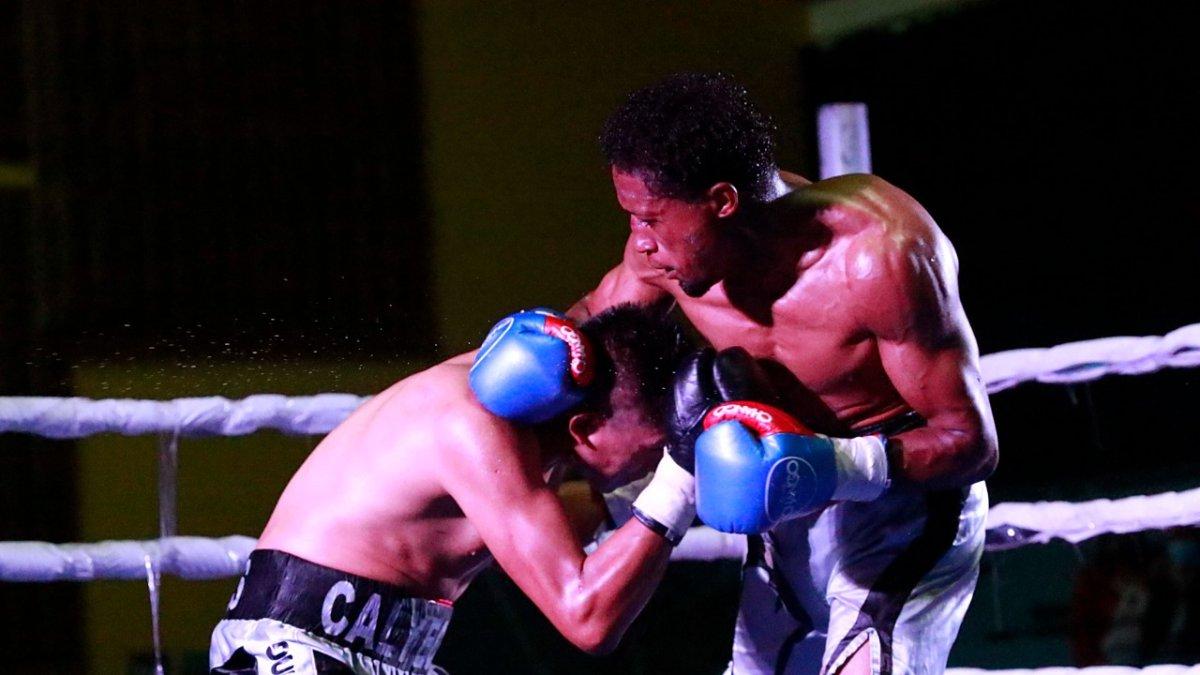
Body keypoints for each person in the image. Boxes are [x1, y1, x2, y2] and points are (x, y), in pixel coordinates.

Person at [569, 72, 999, 675]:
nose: (638, 245)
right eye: (632, 219)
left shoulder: (879, 253)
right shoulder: (664, 258)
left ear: (722, 201)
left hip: (901, 512)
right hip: (780, 521)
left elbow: (970, 443)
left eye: (652, 220)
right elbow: (579, 339)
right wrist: (530, 349)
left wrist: (829, 465)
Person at [208, 305, 696, 674]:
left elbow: (649, 265)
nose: (656, 459)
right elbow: (587, 618)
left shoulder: (551, 417)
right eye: (658, 445)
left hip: (393, 653)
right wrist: (682, 473)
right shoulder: (473, 426)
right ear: (586, 428)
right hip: (297, 644)